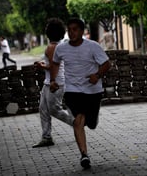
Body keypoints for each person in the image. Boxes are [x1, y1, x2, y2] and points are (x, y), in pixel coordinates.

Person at [50, 18, 110, 169]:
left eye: (75, 29)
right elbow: (55, 63)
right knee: (78, 120)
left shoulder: (93, 47)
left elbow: (106, 64)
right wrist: (52, 80)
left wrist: (97, 75)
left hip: (92, 91)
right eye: (69, 30)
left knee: (91, 123)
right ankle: (84, 155)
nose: (71, 32)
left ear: (82, 31)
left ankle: (93, 119)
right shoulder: (61, 48)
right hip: (72, 91)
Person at [32, 18, 75, 148]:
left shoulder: (52, 47)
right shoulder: (59, 45)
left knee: (54, 109)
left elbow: (53, 67)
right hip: (50, 82)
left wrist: (42, 66)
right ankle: (46, 137)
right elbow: (53, 64)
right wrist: (44, 66)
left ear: (49, 32)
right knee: (43, 109)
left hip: (55, 82)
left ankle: (75, 123)